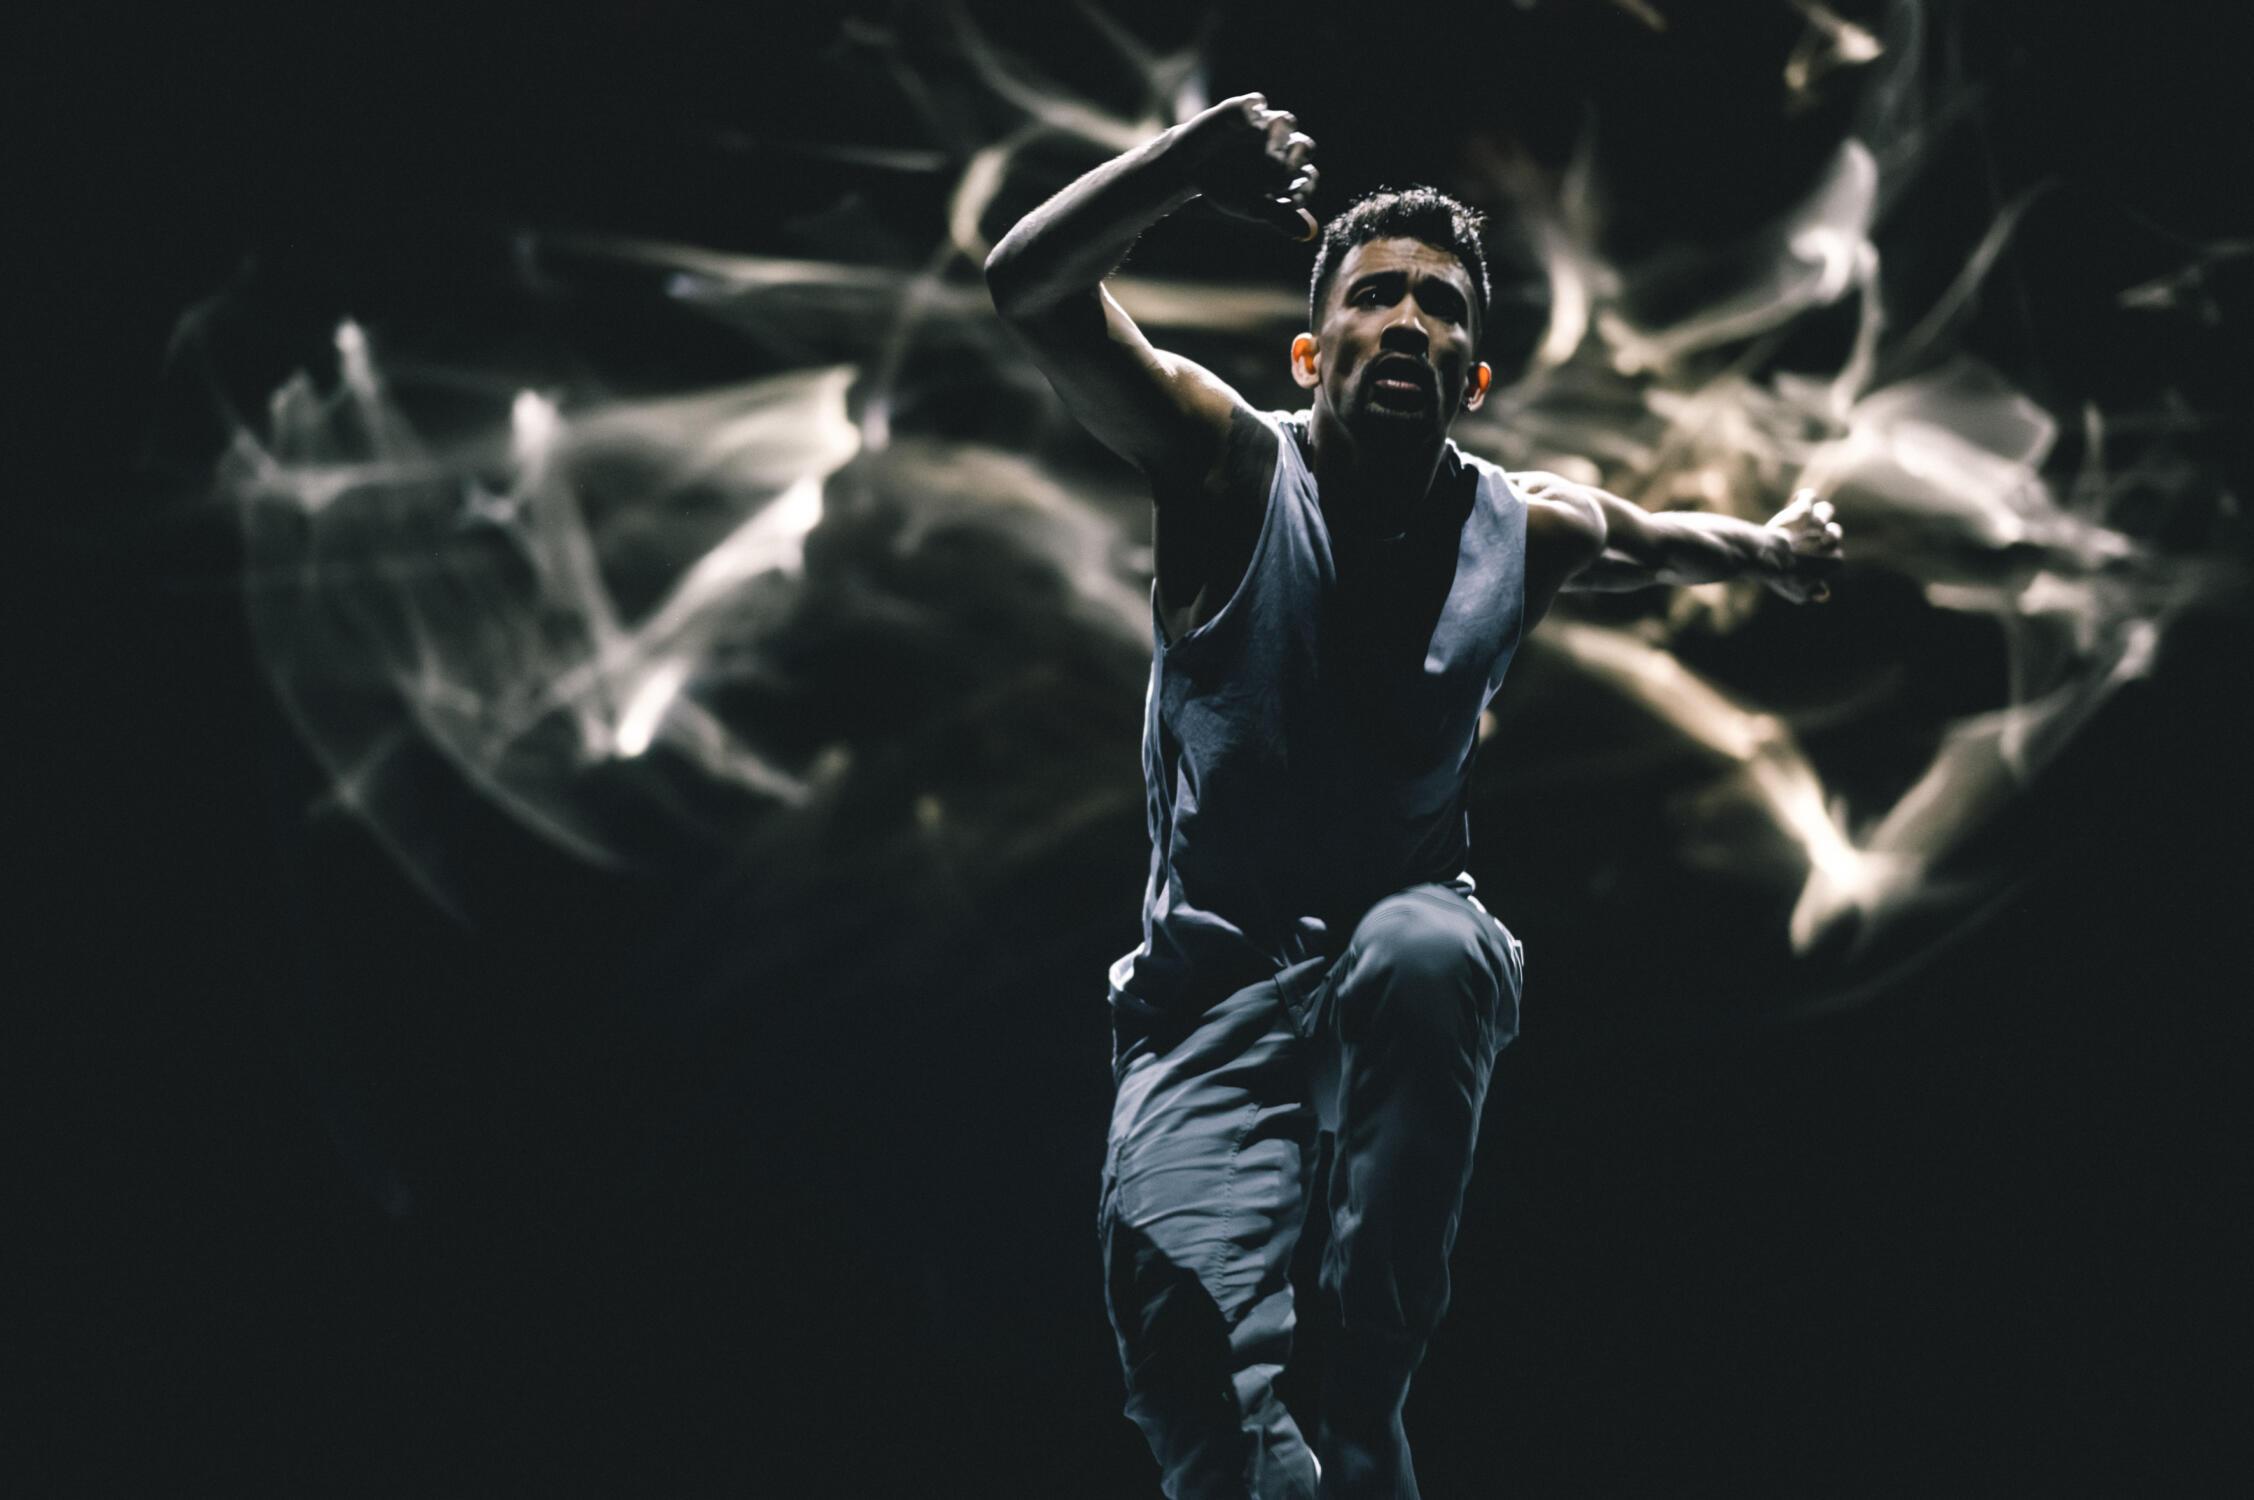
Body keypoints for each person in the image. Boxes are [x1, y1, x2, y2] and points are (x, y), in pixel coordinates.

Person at [984, 93, 1842, 1499]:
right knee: (1194, 1389)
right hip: (1206, 1008)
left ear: (1473, 377)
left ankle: (1366, 1383)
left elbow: (1648, 538)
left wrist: (1771, 549)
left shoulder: (1523, 524)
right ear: (1312, 352)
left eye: (1439, 309)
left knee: (1426, 946)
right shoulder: (1225, 467)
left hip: (1397, 967)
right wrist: (1188, 164)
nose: (1406, 324)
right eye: (1373, 299)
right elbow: (1028, 286)